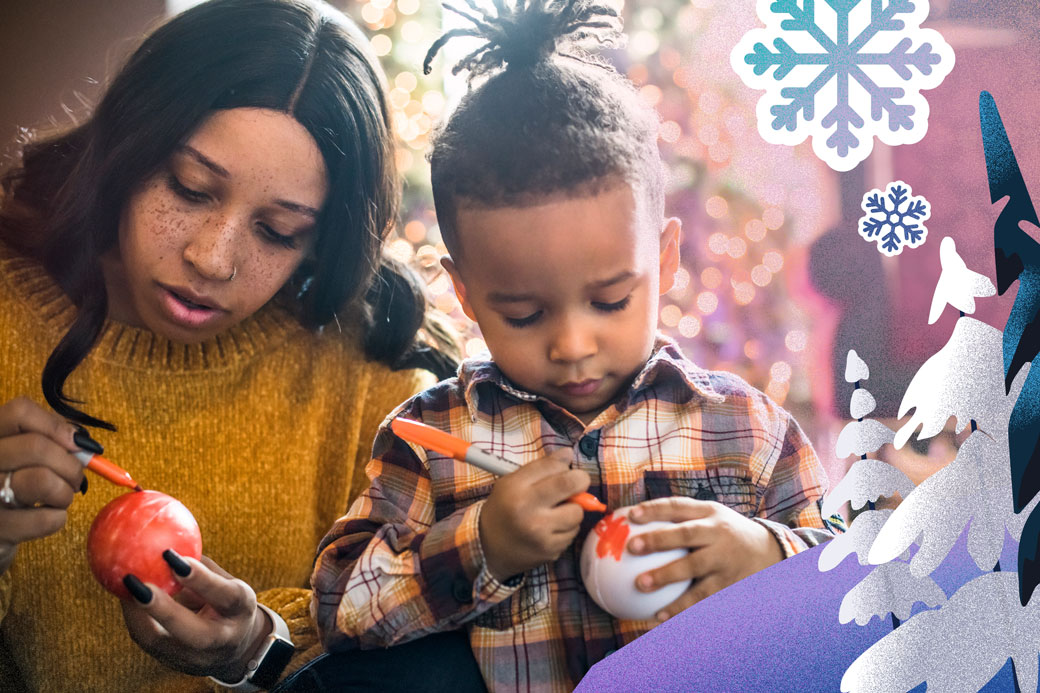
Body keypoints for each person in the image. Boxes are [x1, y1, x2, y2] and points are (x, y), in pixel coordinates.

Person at [310, 1, 845, 691]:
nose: (572, 343)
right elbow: (336, 608)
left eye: (611, 300)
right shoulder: (432, 438)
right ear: (467, 294)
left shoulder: (746, 429)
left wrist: (763, 554)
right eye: (525, 314)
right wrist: (483, 545)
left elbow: (849, 582)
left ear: (666, 256)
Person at [0, 1, 462, 691]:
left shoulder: (380, 381)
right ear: (127, 151)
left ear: (321, 240)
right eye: (189, 189)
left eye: (277, 231)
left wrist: (261, 651)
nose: (213, 259)